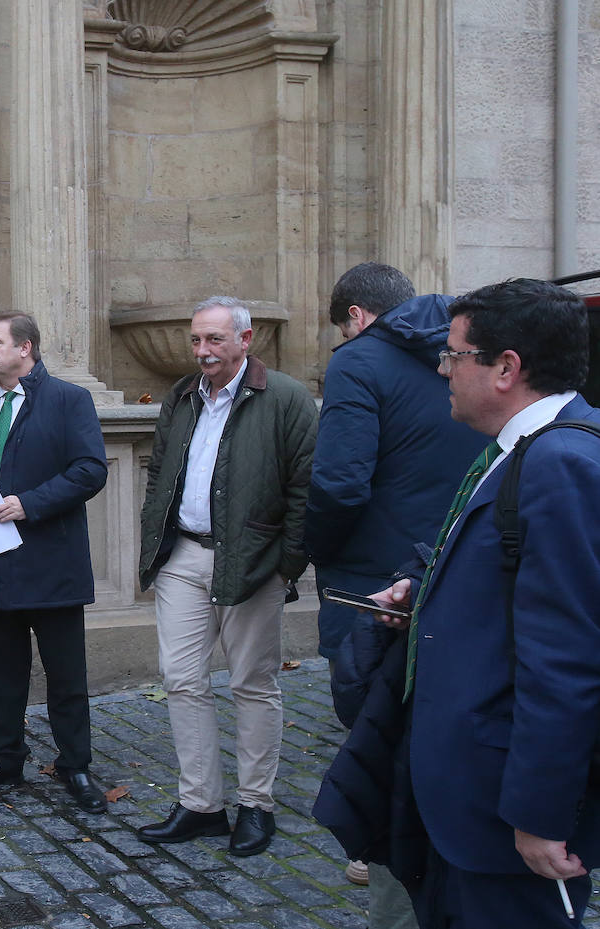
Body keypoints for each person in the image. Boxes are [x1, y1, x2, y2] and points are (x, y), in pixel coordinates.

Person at [368, 278, 600, 928]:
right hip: (463, 799)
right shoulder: (520, 449)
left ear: (506, 368)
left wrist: (540, 813)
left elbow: (568, 657)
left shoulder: (563, 463)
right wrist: (425, 591)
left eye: (453, 354)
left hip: (505, 820)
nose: (443, 369)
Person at [305, 262, 484, 920]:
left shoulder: (358, 361)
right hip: (454, 571)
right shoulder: (464, 355)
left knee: (377, 738)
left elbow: (339, 484)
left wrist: (313, 546)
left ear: (355, 316)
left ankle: (387, 862)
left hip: (376, 588)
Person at [136, 296, 317, 856]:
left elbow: (306, 490)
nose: (203, 351)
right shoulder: (182, 395)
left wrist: (286, 564)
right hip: (183, 558)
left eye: (214, 339)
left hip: (252, 560)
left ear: (246, 339)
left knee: (252, 683)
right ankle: (201, 805)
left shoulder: (284, 397)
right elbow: (161, 469)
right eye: (196, 340)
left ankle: (256, 806)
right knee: (181, 678)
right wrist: (156, 540)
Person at [0, 312, 109, 813]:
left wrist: (29, 504)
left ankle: (75, 765)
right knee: (5, 671)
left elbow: (90, 470)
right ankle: (6, 758)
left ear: (26, 348)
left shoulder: (68, 400)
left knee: (65, 674)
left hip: (52, 563)